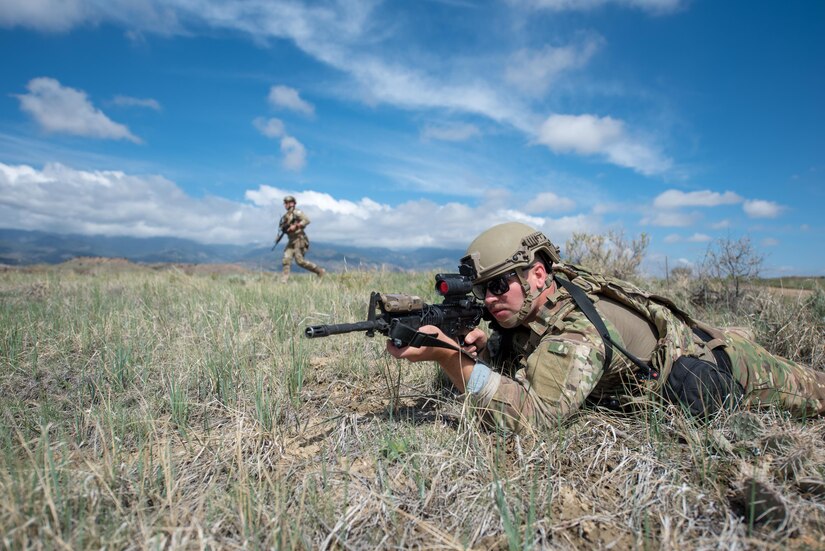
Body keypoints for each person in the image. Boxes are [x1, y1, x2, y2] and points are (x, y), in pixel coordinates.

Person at [387, 222, 825, 434]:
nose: (489, 299)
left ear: (538, 275)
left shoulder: (578, 330)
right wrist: (486, 352)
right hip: (695, 343)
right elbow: (526, 353)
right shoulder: (538, 306)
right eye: (482, 289)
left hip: (731, 370)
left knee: (816, 393)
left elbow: (535, 418)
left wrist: (453, 360)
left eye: (499, 284)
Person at [277, 195, 325, 283]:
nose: (285, 205)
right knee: (286, 259)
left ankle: (320, 271)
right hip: (291, 240)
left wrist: (296, 226)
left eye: (286, 203)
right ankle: (283, 281)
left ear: (292, 203)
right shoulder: (286, 216)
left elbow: (306, 220)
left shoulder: (297, 212)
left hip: (299, 239)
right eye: (285, 203)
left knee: (300, 261)